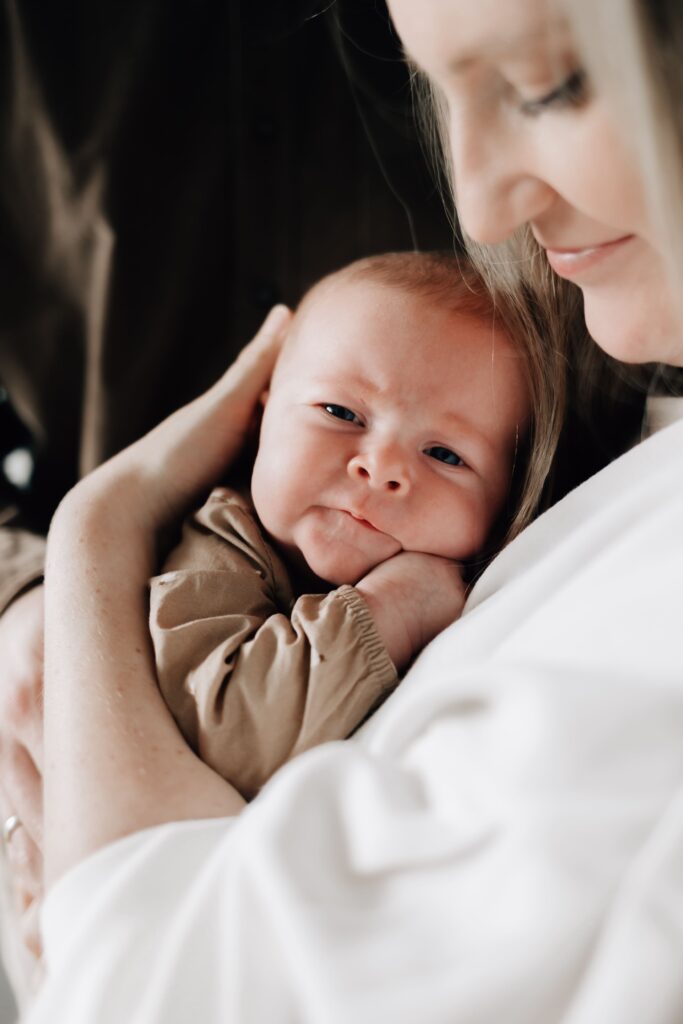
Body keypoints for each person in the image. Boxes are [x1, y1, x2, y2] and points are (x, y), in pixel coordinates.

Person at [5, 0, 683, 1020]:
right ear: (256, 410)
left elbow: (150, 981)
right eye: (335, 413)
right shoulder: (215, 555)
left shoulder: (614, 498)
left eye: (546, 90)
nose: (478, 208)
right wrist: (57, 569)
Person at [151, 251, 547, 799]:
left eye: (445, 454)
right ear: (261, 415)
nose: (381, 467)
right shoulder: (220, 545)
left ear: (508, 501)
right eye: (341, 413)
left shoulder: (506, 593)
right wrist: (391, 611)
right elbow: (230, 740)